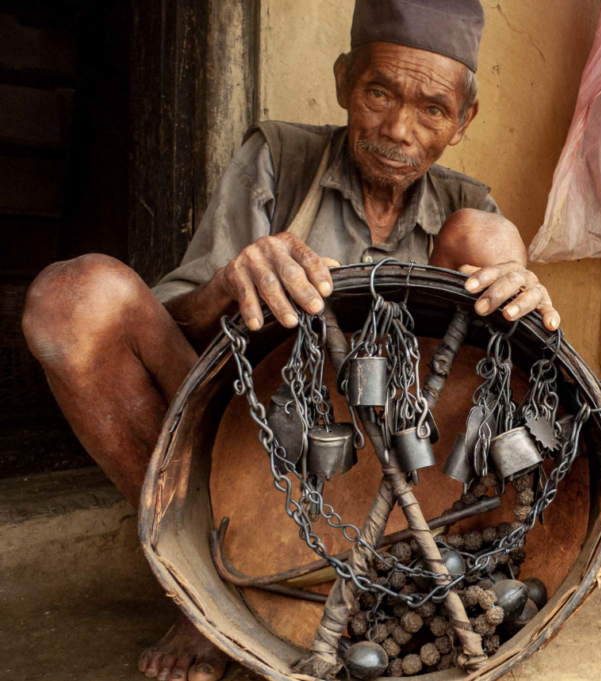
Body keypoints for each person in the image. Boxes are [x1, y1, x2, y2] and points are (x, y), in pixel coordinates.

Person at [21, 1, 559, 679]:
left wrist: (521, 289)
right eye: (378, 92)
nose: (398, 129)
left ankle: (361, 580)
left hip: (398, 494)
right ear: (342, 81)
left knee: (485, 245)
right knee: (73, 299)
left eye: (431, 108)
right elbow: (164, 327)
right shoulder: (278, 160)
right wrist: (227, 284)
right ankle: (214, 579)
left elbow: (504, 305)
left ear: (463, 120)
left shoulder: (468, 206)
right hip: (252, 463)